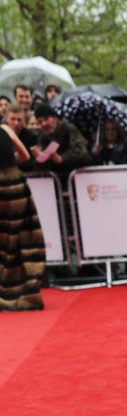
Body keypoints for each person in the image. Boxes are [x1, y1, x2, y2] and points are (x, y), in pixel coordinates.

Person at [0, 123, 45, 311]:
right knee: (23, 240)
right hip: (16, 184)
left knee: (4, 242)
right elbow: (25, 156)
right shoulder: (5, 128)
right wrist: (8, 161)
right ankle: (28, 292)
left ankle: (7, 293)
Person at [31, 102, 93, 180]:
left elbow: (81, 151)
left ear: (55, 118)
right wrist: (40, 159)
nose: (44, 124)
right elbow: (40, 163)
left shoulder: (69, 129)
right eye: (40, 122)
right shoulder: (43, 137)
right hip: (57, 179)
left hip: (77, 177)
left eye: (46, 119)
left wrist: (61, 158)